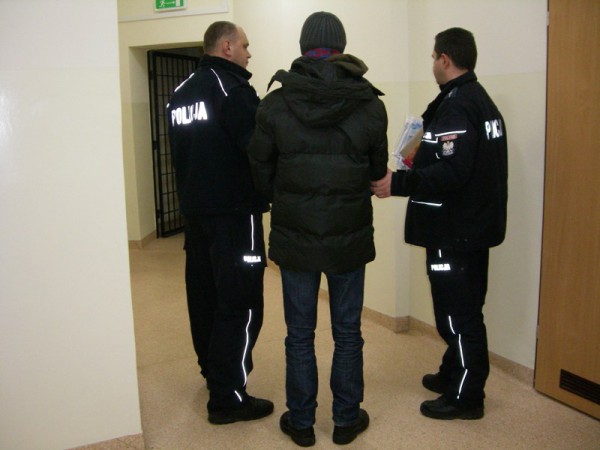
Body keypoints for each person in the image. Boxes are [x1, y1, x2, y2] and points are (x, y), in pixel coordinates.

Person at [247, 11, 388, 447]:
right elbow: (376, 171)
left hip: (295, 237)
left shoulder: (275, 104)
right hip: (349, 237)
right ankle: (345, 420)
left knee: (299, 334)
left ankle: (302, 422)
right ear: (342, 48)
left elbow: (259, 171)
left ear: (303, 47)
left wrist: (286, 196)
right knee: (347, 332)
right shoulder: (370, 104)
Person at [371, 27, 508, 420]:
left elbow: (453, 171)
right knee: (465, 306)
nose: (432, 63)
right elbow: (460, 161)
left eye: (433, 57)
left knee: (456, 315)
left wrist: (398, 183)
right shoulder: (476, 101)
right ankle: (453, 372)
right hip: (472, 228)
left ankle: (467, 396)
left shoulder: (459, 106)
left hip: (455, 231)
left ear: (445, 59)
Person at [166, 21, 273, 425]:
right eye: (245, 45)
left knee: (205, 298)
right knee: (241, 302)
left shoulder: (179, 94)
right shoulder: (233, 90)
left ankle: (214, 373)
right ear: (227, 47)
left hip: (195, 217)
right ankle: (228, 397)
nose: (249, 53)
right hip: (235, 215)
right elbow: (259, 150)